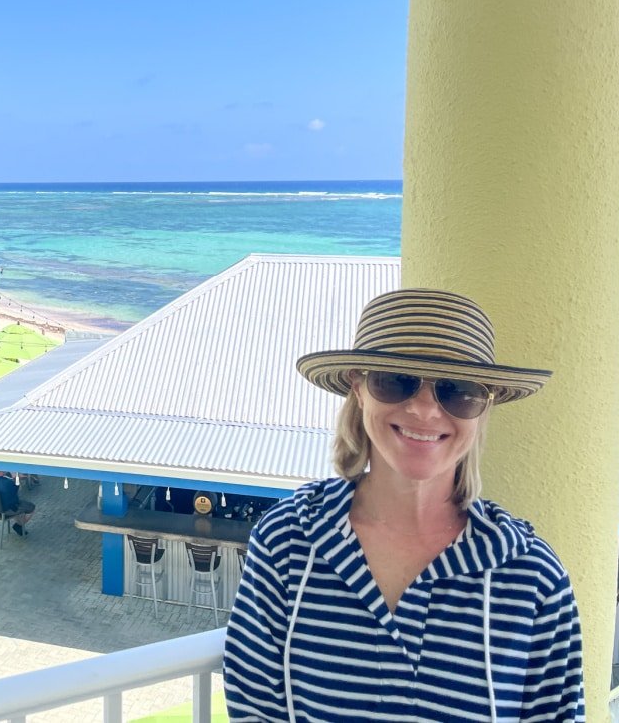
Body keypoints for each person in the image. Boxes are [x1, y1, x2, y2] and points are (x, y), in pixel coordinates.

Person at [223, 288, 584, 721]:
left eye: (458, 390)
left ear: (484, 407)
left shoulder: (533, 577)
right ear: (359, 389)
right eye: (396, 381)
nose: (425, 410)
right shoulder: (286, 541)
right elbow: (253, 711)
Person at [0, 470, 35, 536]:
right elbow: (16, 491)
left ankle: (19, 521)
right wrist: (17, 479)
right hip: (6, 510)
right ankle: (18, 525)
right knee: (31, 507)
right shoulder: (7, 483)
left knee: (16, 504)